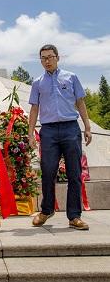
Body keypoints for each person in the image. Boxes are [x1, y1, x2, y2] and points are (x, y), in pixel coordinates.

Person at [28, 44, 92, 230]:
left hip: (70, 128)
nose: (47, 61)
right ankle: (46, 210)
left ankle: (74, 216)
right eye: (43, 58)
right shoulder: (37, 83)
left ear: (58, 57)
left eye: (50, 57)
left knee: (74, 173)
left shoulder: (71, 77)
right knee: (47, 172)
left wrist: (87, 127)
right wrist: (31, 133)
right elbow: (34, 108)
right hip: (48, 131)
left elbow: (80, 102)